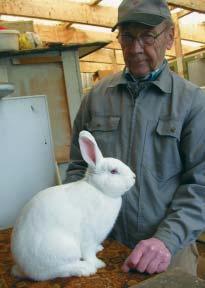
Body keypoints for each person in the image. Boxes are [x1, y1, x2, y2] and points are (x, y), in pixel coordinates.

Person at [64, 0, 205, 276]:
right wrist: (74, 225)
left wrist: (166, 239)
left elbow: (200, 184)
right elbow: (78, 169)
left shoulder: (192, 102)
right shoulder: (96, 98)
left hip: (167, 254)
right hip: (103, 248)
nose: (135, 48)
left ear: (169, 37)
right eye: (127, 37)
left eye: (147, 36)